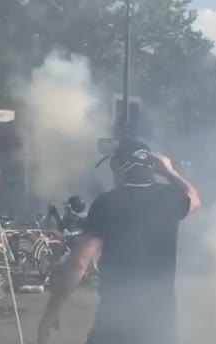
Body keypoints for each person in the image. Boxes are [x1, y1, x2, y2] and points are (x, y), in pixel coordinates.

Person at [37, 138, 201, 344]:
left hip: (117, 319)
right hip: (161, 319)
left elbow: (79, 263)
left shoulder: (107, 203)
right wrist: (169, 172)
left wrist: (52, 311)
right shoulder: (170, 197)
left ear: (119, 167)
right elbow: (194, 199)